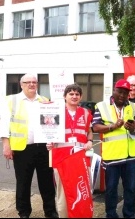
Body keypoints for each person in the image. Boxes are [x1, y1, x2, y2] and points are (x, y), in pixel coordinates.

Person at [0, 73, 58, 218]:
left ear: (37, 84)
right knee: (23, 183)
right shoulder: (12, 100)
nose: (31, 84)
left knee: (47, 183)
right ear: (21, 84)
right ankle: (24, 212)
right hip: (22, 149)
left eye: (34, 82)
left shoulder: (44, 100)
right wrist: (6, 145)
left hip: (43, 148)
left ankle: (50, 211)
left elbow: (52, 122)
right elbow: (4, 124)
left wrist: (53, 138)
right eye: (28, 82)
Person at [92, 79, 135, 218]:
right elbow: (95, 127)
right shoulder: (102, 106)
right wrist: (112, 126)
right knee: (111, 189)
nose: (122, 95)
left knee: (131, 189)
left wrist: (133, 128)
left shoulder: (134, 107)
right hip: (112, 156)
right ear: (114, 90)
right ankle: (111, 214)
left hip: (130, 156)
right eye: (120, 91)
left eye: (125, 93)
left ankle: (129, 215)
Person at [46, 83, 93, 218]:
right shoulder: (55, 112)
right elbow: (48, 132)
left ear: (81, 97)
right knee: (63, 192)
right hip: (61, 158)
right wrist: (49, 142)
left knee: (81, 189)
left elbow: (89, 132)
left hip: (80, 158)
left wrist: (89, 141)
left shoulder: (85, 112)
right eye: (71, 94)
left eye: (77, 94)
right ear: (64, 96)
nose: (74, 96)